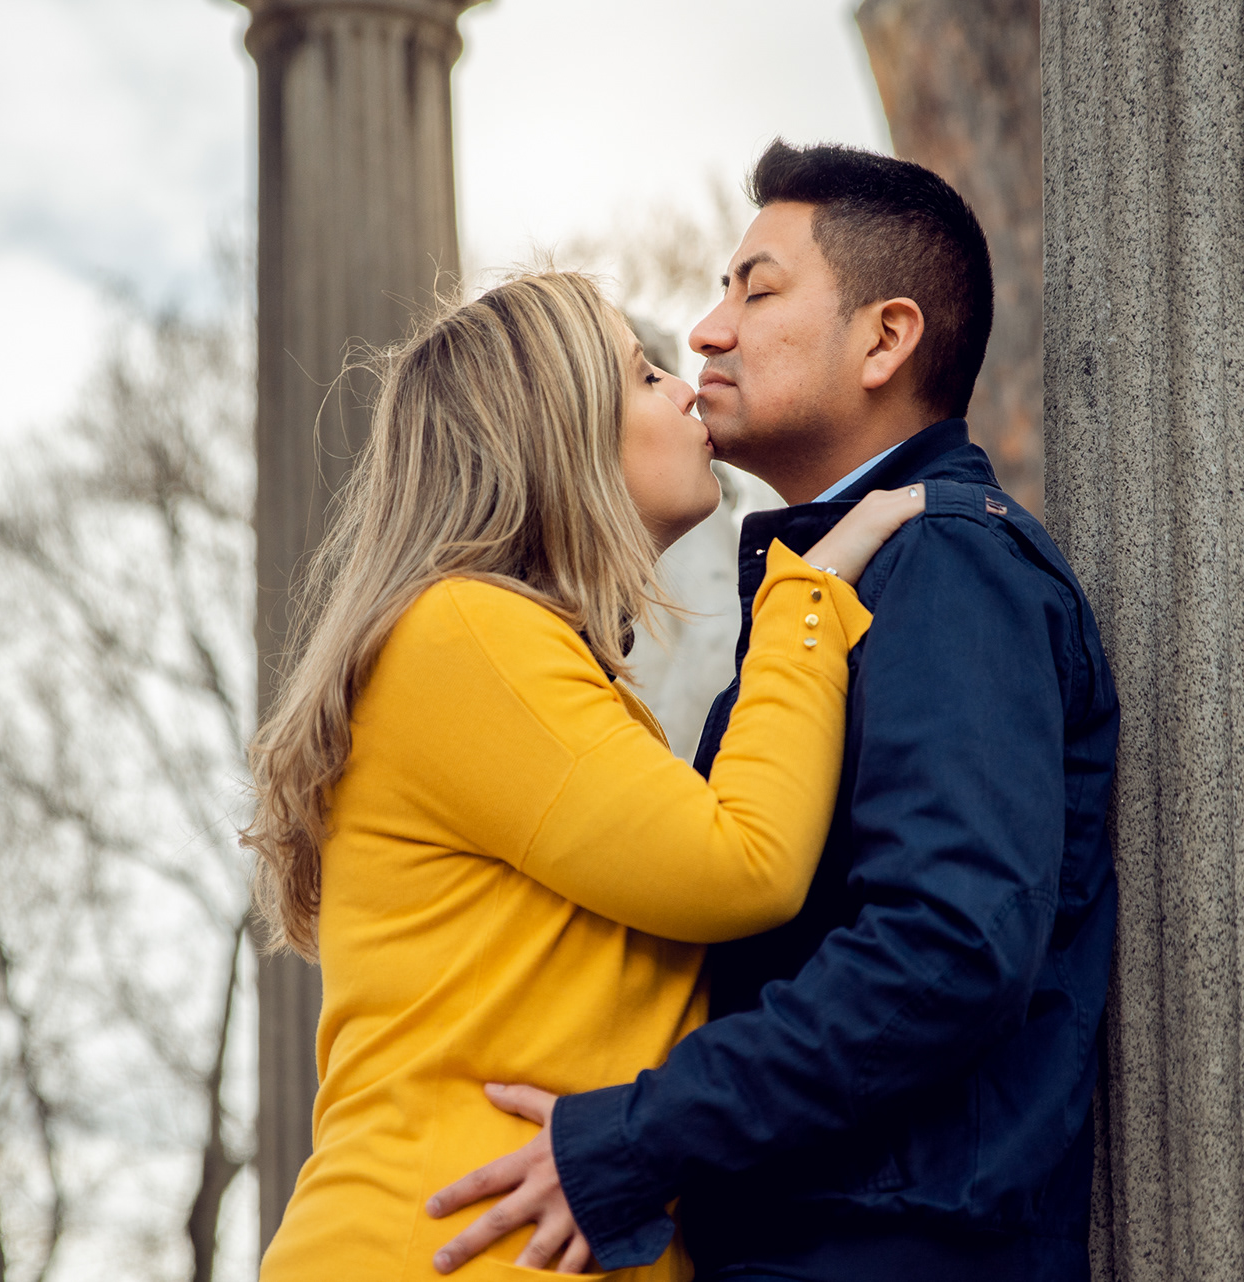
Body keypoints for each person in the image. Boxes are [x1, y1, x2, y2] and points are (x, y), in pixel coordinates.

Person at [427, 143, 1121, 1281]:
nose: (706, 334)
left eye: (755, 291)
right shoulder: (846, 580)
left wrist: (638, 1137)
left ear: (885, 340)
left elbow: (947, 946)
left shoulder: (943, 561)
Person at [244, 270, 924, 1281]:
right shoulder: (466, 632)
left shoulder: (514, 656)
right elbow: (744, 862)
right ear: (559, 436)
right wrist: (807, 596)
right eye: (645, 376)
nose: (687, 387)